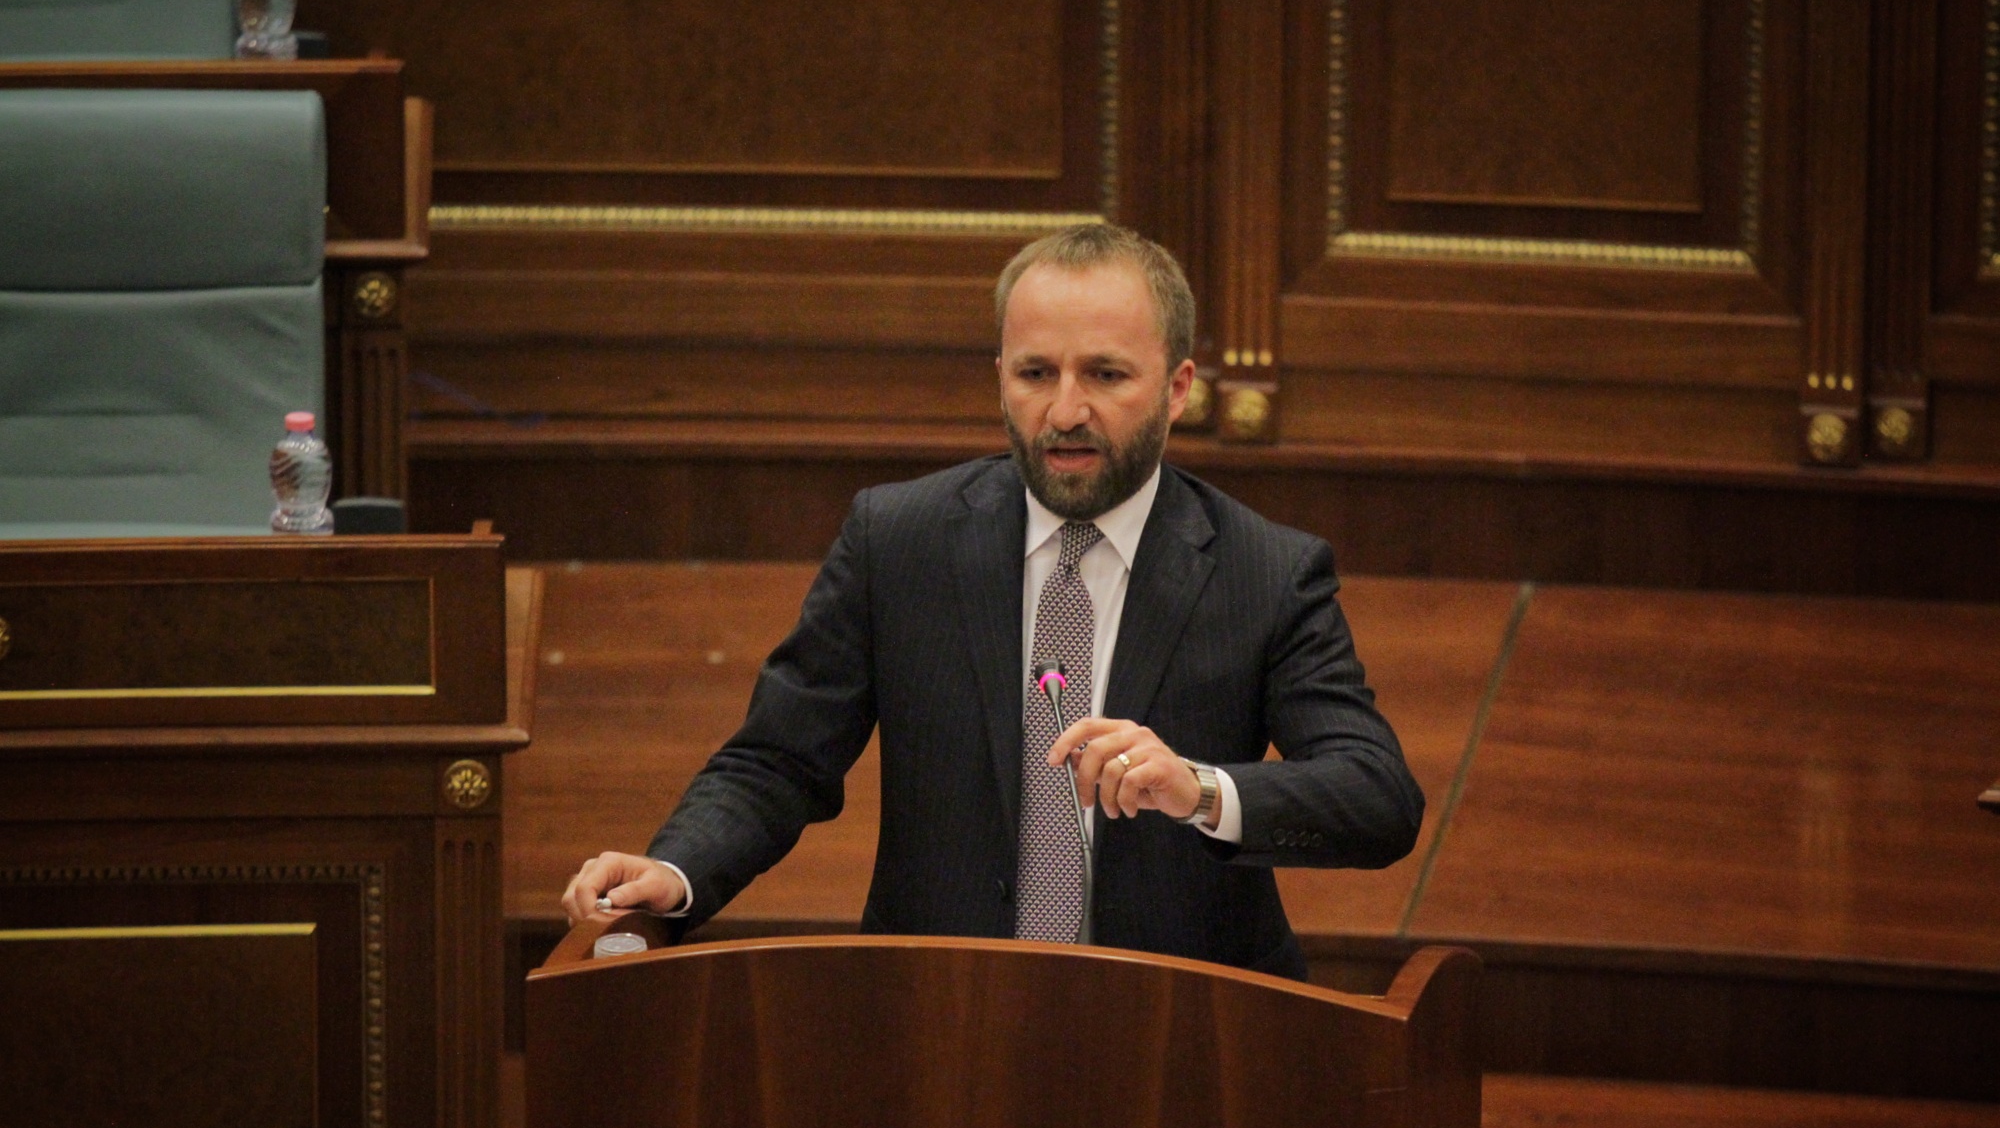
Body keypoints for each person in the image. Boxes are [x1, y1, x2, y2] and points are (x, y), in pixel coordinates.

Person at [563, 223, 1423, 978]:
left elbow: (1377, 796)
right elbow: (779, 759)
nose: (1065, 410)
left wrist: (1198, 789)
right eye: (1035, 372)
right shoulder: (896, 539)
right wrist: (675, 869)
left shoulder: (1265, 570)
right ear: (999, 377)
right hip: (939, 1010)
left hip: (1183, 1025)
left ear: (1177, 386)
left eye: (1106, 374)